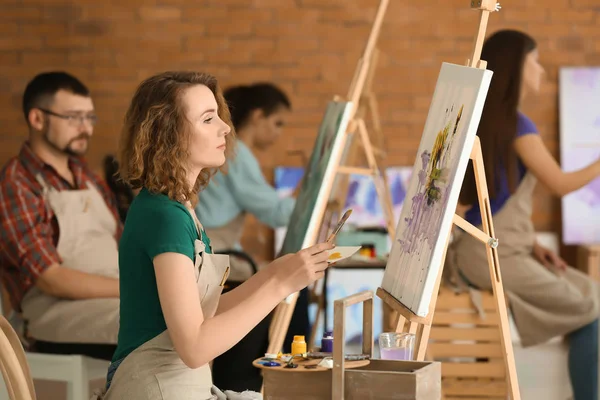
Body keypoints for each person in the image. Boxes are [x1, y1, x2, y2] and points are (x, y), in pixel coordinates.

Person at [98, 71, 333, 399]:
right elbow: (194, 348)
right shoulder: (163, 216)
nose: (225, 127)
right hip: (157, 389)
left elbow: (204, 311)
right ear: (169, 134)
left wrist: (273, 276)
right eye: (209, 119)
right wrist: (279, 285)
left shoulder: (178, 207)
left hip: (181, 386)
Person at [449, 30, 600, 400]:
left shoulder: (482, 118)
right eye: (535, 60)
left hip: (485, 249)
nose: (542, 70)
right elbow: (560, 184)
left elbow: (494, 198)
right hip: (494, 254)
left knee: (588, 291)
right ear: (517, 67)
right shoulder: (517, 126)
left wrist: (533, 244)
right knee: (591, 307)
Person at [0, 71, 122, 361]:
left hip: (114, 295)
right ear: (38, 119)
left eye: (90, 118)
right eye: (74, 118)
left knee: (199, 314)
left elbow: (122, 244)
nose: (86, 129)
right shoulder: (17, 183)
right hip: (52, 311)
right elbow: (50, 279)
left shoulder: (88, 176)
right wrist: (134, 289)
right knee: (160, 322)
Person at [194, 83, 305, 391]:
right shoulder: (236, 152)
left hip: (219, 250)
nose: (279, 133)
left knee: (273, 272)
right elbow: (275, 212)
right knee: (288, 285)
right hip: (212, 256)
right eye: (277, 123)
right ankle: (261, 381)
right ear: (257, 116)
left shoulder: (234, 153)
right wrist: (312, 195)